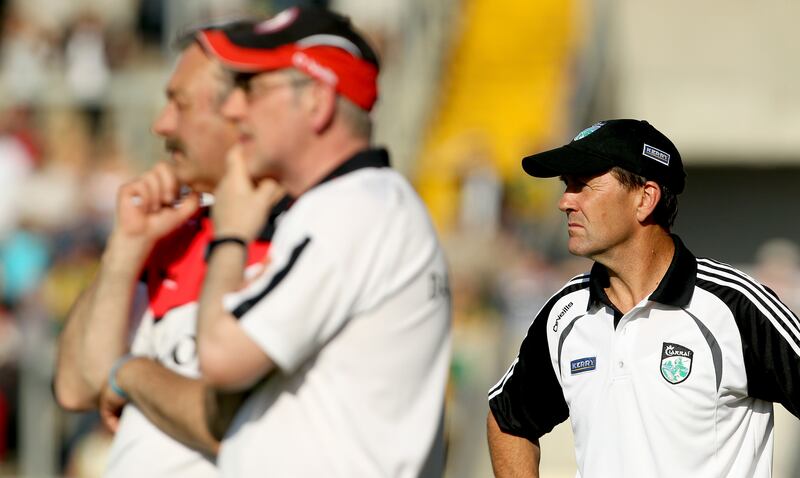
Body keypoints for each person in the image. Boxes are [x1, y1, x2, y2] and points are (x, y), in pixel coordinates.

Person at [192, 7, 452, 477]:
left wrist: (229, 233)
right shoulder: (366, 204)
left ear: (317, 99)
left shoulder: (353, 209)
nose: (233, 109)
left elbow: (220, 354)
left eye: (252, 87)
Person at [486, 119, 800, 477]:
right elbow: (507, 420)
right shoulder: (564, 314)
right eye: (565, 185)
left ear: (645, 198)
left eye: (583, 185)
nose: (564, 202)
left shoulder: (733, 305)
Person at [53, 23, 285, 477]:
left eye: (180, 104)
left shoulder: (302, 234)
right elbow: (75, 386)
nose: (161, 124)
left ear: (241, 114)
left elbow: (225, 421)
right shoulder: (174, 230)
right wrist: (124, 249)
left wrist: (129, 374)